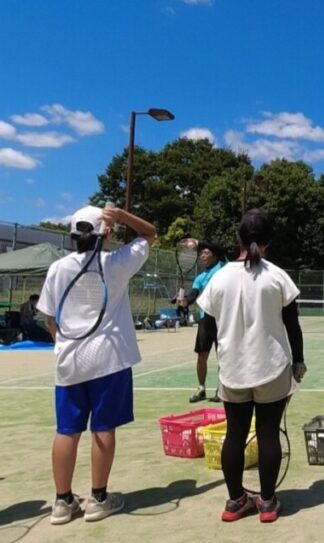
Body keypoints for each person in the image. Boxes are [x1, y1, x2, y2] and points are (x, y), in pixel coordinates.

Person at [36, 204, 156, 525]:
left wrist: (62, 343)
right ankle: (98, 499)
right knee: (103, 429)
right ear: (107, 232)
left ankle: (62, 502)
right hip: (109, 360)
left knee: (67, 430)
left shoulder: (58, 268)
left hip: (70, 361)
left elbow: (50, 317)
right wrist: (121, 215)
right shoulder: (116, 263)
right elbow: (149, 233)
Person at [197, 209, 306, 523]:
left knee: (235, 434)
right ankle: (268, 503)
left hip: (233, 370)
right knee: (268, 433)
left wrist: (218, 354)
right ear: (269, 240)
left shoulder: (219, 278)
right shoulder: (277, 276)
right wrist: (299, 361)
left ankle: (236, 502)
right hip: (272, 367)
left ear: (238, 238)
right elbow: (293, 325)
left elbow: (207, 329)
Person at [185, 242, 226, 403]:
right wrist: (184, 301)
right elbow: (193, 295)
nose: (202, 255)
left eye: (206, 252)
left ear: (215, 256)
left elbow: (221, 250)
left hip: (222, 319)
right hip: (205, 320)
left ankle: (222, 389)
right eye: (201, 253)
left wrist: (198, 242)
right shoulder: (200, 277)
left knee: (222, 356)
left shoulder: (223, 267)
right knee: (202, 355)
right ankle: (201, 389)